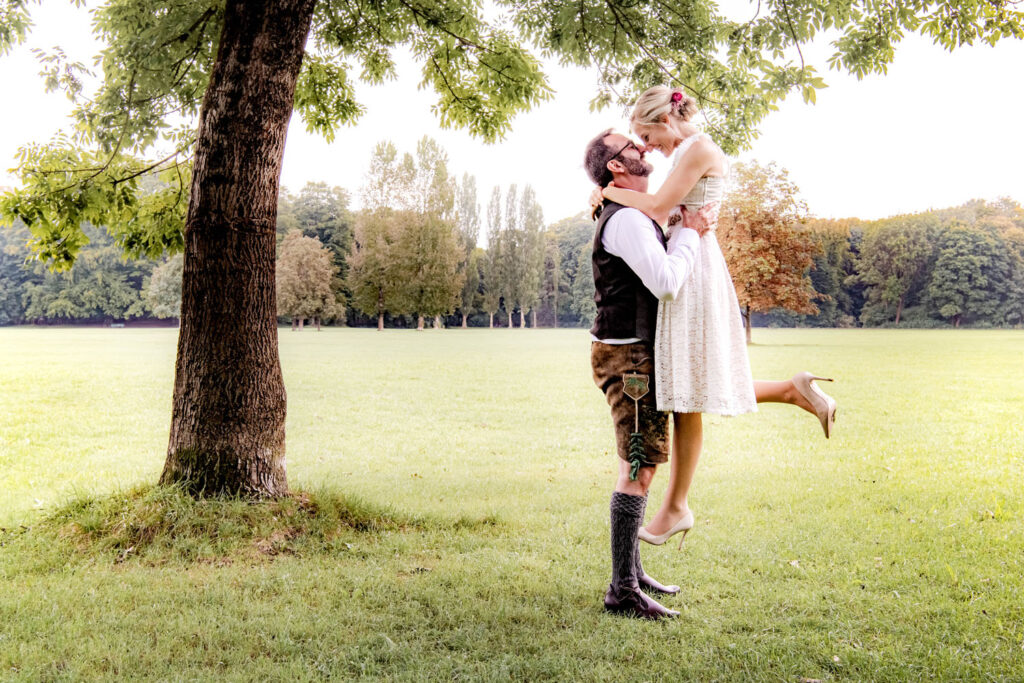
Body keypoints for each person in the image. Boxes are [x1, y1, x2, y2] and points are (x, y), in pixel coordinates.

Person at [592, 85, 838, 548]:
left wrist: (608, 194)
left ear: (665, 121)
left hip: (694, 265)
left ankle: (676, 506)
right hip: (692, 256)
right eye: (639, 141)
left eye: (647, 135)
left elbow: (662, 208)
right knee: (690, 386)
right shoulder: (687, 150)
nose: (647, 147)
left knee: (688, 388)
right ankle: (790, 391)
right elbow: (664, 210)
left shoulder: (697, 148)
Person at [583, 128, 713, 619]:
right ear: (616, 166)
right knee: (639, 469)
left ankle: (631, 575)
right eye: (630, 147)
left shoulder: (632, 214)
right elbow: (665, 283)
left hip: (629, 352)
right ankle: (622, 591)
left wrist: (679, 226)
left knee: (635, 466)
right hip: (630, 358)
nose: (642, 149)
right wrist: (689, 236)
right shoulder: (627, 223)